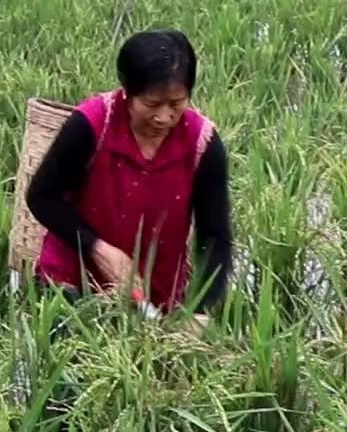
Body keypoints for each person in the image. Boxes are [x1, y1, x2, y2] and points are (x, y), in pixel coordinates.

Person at [25, 29, 232, 319]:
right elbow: (41, 197)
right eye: (151, 103)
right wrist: (97, 248)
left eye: (176, 103)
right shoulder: (93, 124)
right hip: (70, 286)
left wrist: (202, 311)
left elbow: (215, 237)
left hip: (155, 297)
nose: (164, 117)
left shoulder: (202, 143)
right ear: (127, 92)